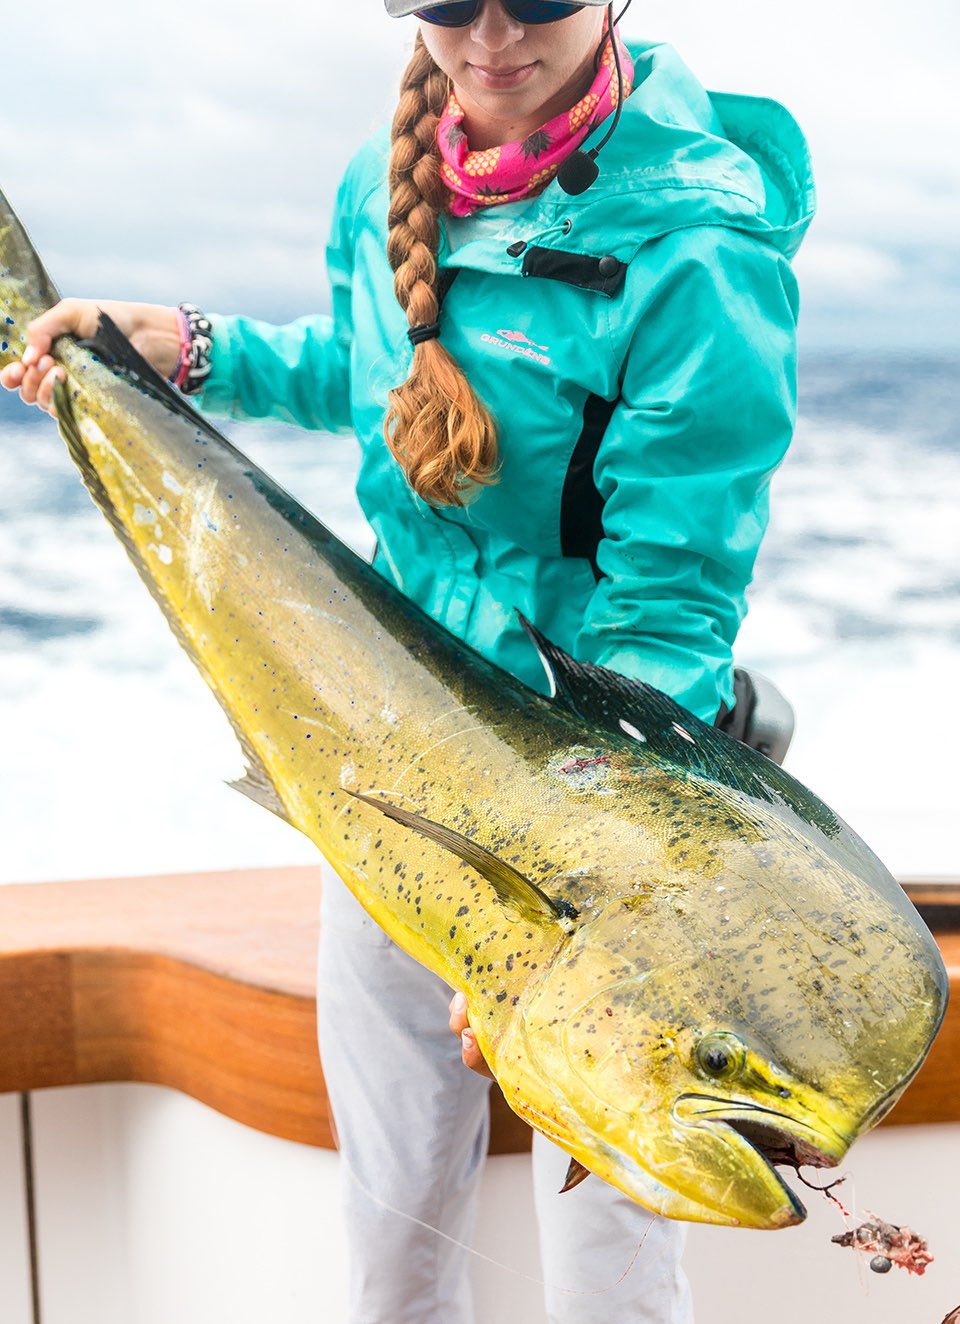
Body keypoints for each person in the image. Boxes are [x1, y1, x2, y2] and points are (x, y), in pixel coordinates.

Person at [1, 2, 815, 1319]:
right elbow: (383, 383)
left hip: (599, 823)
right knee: (390, 1234)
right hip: (385, 764)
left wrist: (562, 917)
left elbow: (665, 620)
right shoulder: (382, 177)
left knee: (612, 1265)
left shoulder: (702, 258)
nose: (490, 32)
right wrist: (192, 349)